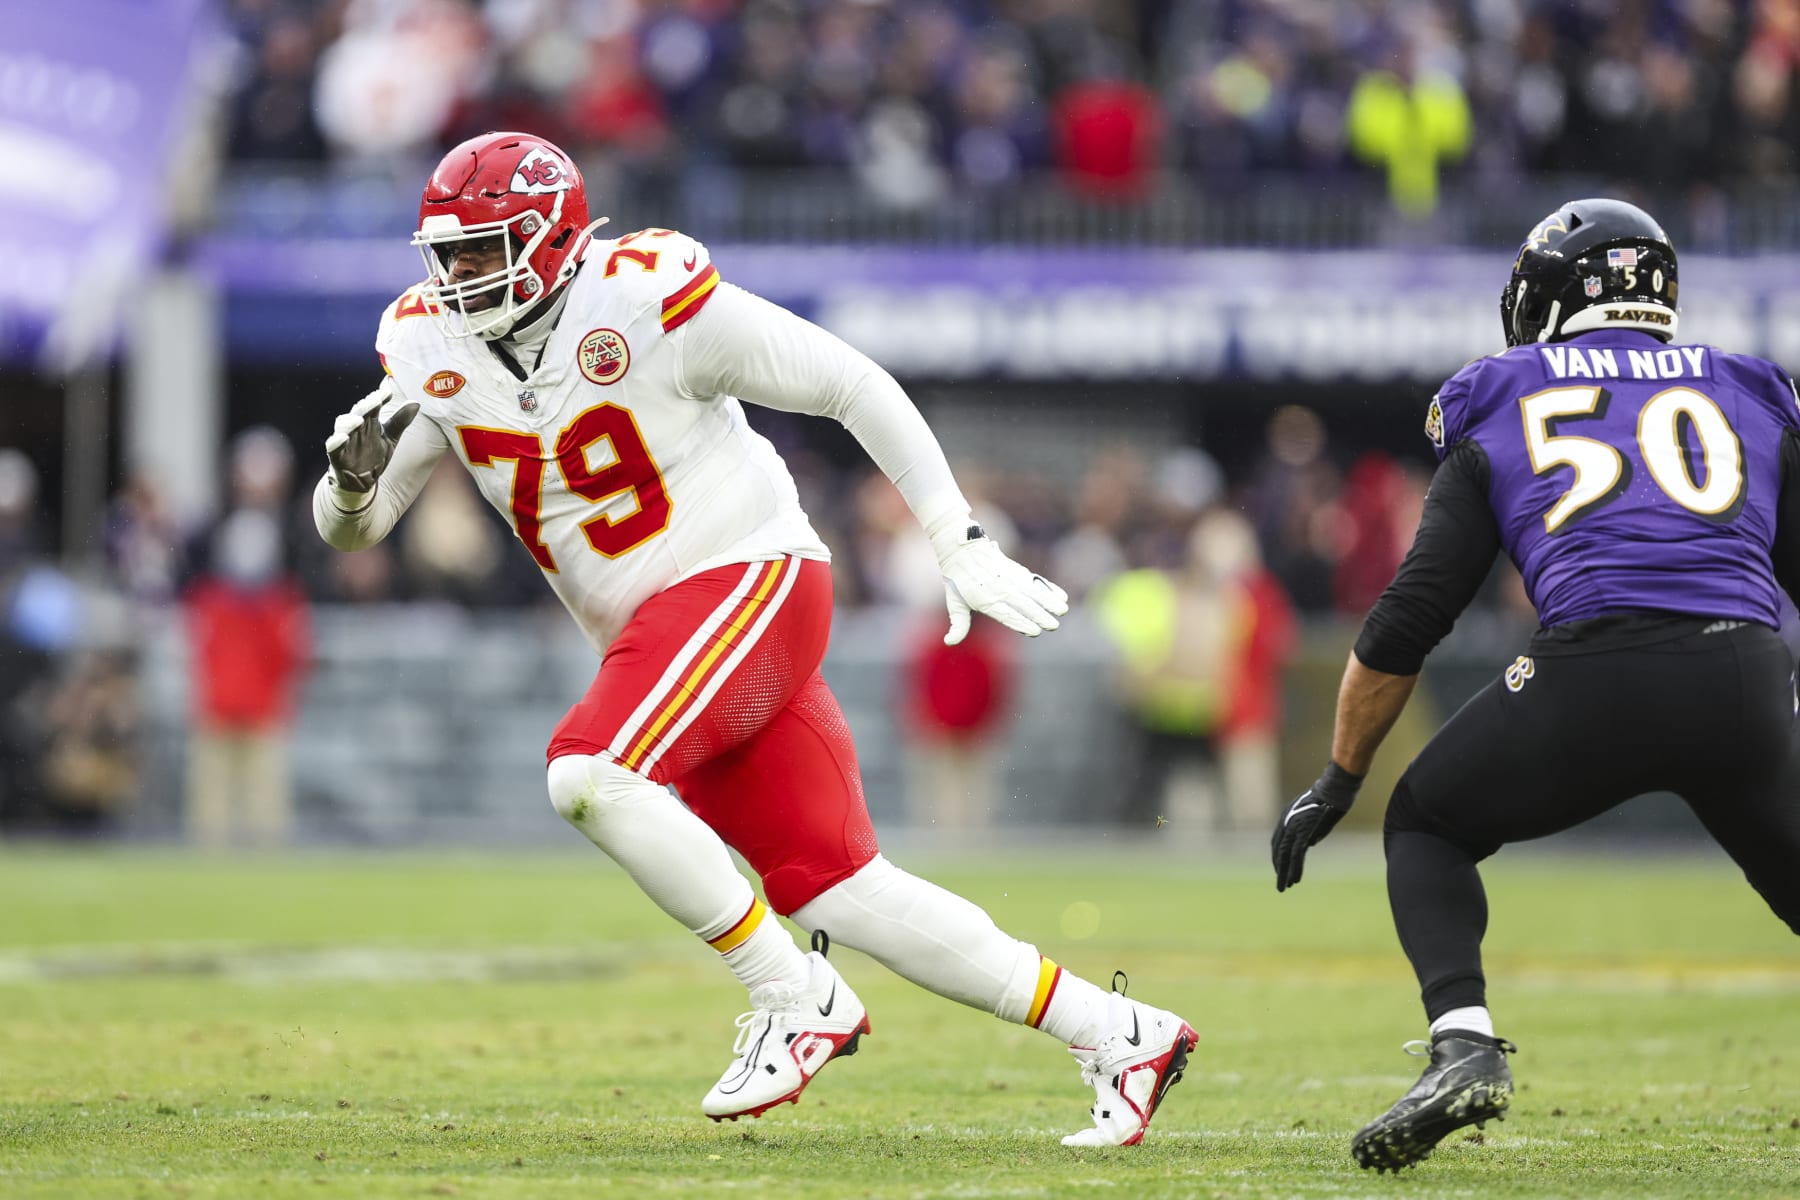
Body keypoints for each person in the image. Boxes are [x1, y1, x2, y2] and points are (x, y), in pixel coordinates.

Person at [312, 132, 1194, 1145]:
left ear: (552, 239)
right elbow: (360, 529)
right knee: (843, 887)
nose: (463, 277)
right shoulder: (430, 344)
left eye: (487, 249)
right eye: (450, 254)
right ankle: (1122, 1033)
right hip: (668, 632)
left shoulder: (647, 297)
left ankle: (790, 992)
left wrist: (954, 536)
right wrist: (346, 484)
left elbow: (850, 380)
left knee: (588, 774)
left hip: (750, 577)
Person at [1270, 198, 1800, 1171]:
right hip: (1744, 672)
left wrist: (1341, 780)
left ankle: (1464, 1045)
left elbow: (1409, 620)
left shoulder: (1501, 391)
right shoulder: (1750, 387)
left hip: (1593, 671)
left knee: (1425, 822)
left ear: (1550, 296)